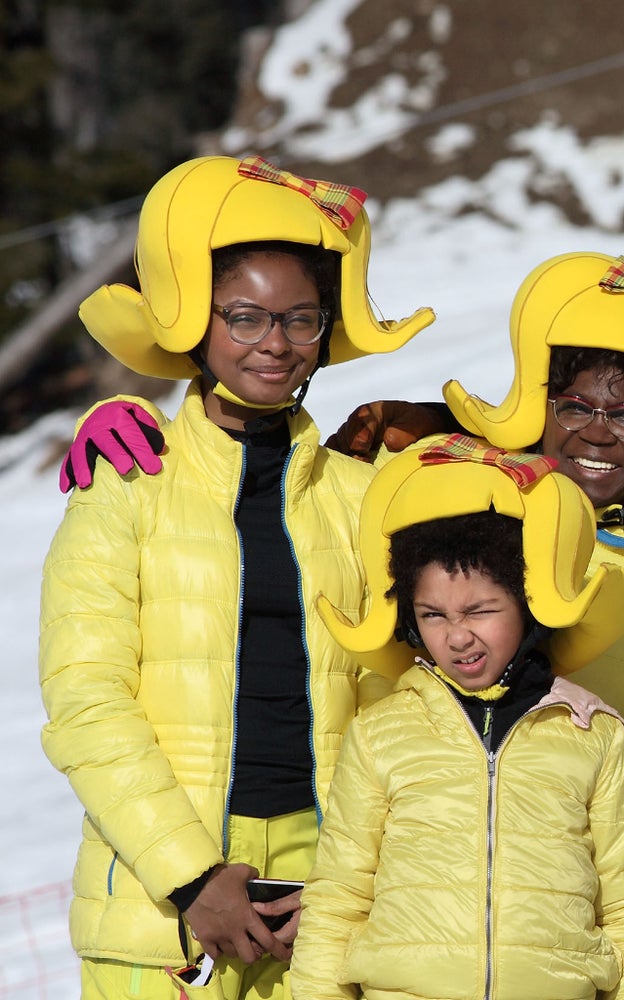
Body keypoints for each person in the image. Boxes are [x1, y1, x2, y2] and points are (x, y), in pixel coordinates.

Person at [39, 155, 431, 999]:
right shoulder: (128, 476)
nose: (275, 344)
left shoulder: (361, 495)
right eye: (245, 317)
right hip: (155, 915)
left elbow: (395, 701)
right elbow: (85, 701)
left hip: (320, 903)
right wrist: (190, 879)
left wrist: (349, 879)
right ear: (195, 321)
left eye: (300, 319)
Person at [339, 252, 624, 836]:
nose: (595, 431)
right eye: (575, 406)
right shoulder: (446, 506)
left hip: (569, 887)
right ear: (542, 407)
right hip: (408, 863)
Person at [291, 440, 624, 1000]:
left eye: (481, 611)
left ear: (528, 604)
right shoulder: (380, 735)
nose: (458, 636)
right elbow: (339, 897)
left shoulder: (594, 737)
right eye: (433, 615)